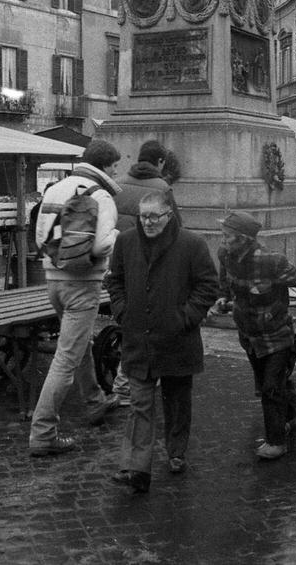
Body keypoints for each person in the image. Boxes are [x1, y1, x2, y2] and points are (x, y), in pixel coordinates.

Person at [104, 192, 219, 493]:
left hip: (177, 341)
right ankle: (136, 469)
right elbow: (114, 280)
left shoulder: (191, 244)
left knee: (177, 402)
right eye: (144, 216)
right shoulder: (126, 242)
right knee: (140, 404)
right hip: (138, 339)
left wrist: (186, 317)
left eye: (155, 216)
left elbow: (208, 285)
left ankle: (176, 452)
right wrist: (122, 310)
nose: (149, 222)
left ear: (169, 214)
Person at [214, 211, 296, 460]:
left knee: (271, 387)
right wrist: (223, 298)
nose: (223, 241)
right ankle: (289, 417)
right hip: (249, 333)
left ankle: (276, 442)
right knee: (269, 382)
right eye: (223, 235)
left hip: (277, 334)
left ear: (243, 239)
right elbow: (225, 282)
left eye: (228, 236)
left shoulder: (270, 260)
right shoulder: (225, 254)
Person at [28, 139, 123, 457]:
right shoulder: (102, 196)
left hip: (53, 280)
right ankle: (43, 433)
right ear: (107, 166)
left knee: (81, 345)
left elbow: (40, 236)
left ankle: (95, 403)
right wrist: (118, 238)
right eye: (115, 166)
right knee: (66, 358)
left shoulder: (56, 189)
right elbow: (100, 246)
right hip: (83, 283)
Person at [110, 139, 181, 406]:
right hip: (150, 264)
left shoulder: (118, 184)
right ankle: (133, 381)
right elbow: (175, 226)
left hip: (121, 259)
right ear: (160, 162)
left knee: (132, 323)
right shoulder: (162, 188)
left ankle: (124, 385)